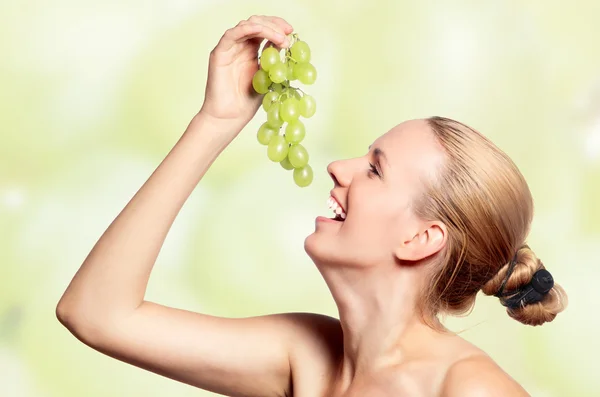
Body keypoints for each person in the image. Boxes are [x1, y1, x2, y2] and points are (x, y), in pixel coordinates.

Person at [56, 15, 567, 397]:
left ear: (420, 239)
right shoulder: (303, 353)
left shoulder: (466, 388)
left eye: (374, 168)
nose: (337, 168)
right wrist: (215, 121)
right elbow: (95, 313)